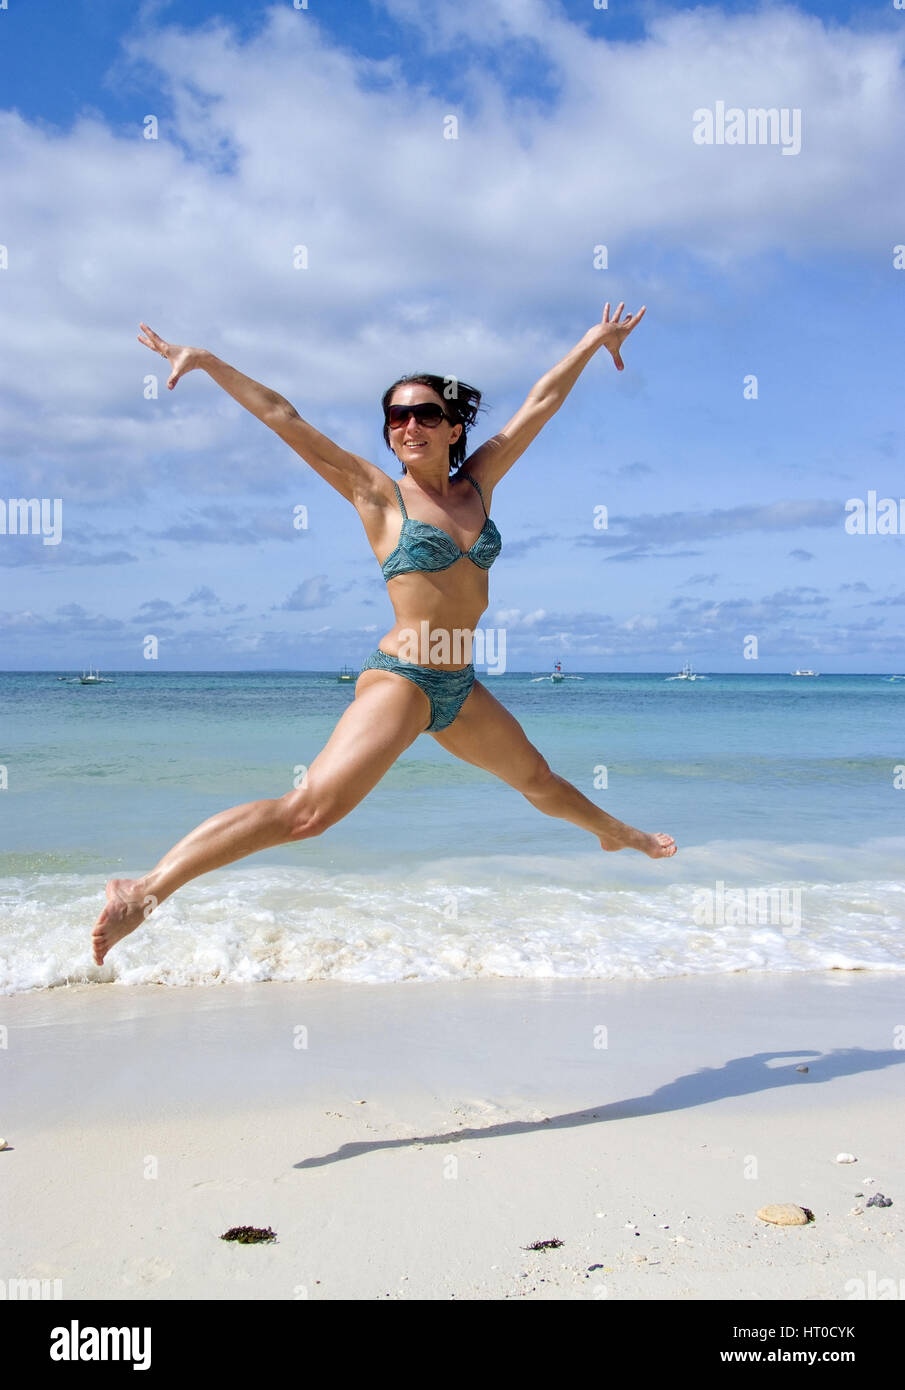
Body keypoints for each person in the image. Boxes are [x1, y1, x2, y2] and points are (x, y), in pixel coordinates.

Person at [92, 304, 675, 966]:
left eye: (425, 413)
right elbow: (286, 418)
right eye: (395, 416)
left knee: (538, 780)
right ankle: (144, 889)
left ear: (454, 426)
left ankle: (617, 834)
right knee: (308, 812)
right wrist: (207, 362)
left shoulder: (478, 486)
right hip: (403, 676)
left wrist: (593, 342)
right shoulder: (376, 495)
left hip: (456, 683)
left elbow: (540, 402)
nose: (407, 425)